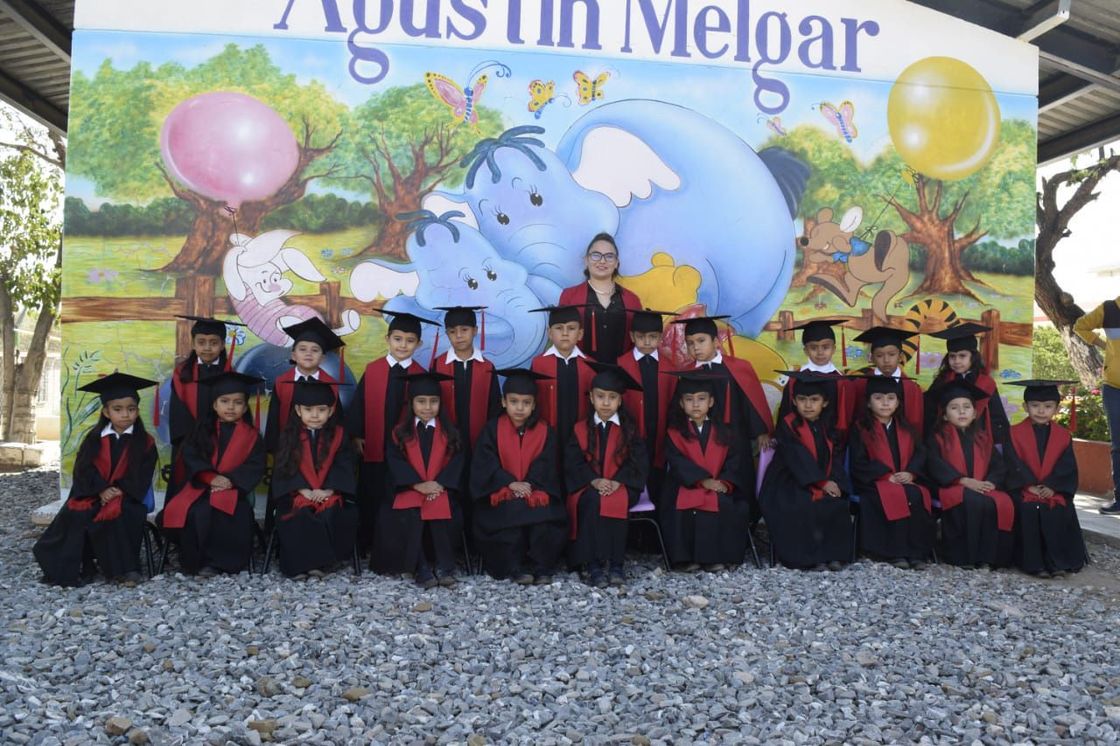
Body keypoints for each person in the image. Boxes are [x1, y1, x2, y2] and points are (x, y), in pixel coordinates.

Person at [34, 373, 158, 586]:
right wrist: (101, 490)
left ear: (137, 411)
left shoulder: (144, 442)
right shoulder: (94, 439)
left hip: (128, 496)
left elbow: (142, 474)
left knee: (121, 513)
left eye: (131, 409)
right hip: (93, 493)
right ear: (106, 412)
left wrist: (118, 490)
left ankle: (126, 570)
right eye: (118, 409)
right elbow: (83, 470)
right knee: (75, 514)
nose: (125, 415)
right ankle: (77, 567)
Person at [160, 371, 266, 576]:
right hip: (202, 486)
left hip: (235, 489)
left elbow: (255, 465)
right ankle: (195, 562)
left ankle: (221, 563)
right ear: (215, 405)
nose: (231, 407)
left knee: (229, 513)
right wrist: (210, 477)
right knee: (195, 511)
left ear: (245, 407)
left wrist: (230, 480)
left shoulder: (252, 436)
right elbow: (192, 457)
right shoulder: (201, 431)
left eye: (237, 402)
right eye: (224, 401)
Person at [347, 310, 435, 553]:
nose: (402, 345)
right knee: (372, 492)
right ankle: (368, 543)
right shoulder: (373, 370)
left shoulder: (421, 376)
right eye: (397, 339)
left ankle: (401, 545)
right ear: (387, 339)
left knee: (402, 490)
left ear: (419, 343)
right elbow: (360, 404)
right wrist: (356, 434)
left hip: (408, 450)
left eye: (409, 340)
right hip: (375, 446)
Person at [670, 314, 773, 518]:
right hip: (703, 440)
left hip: (736, 438)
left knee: (738, 484)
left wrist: (761, 431)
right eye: (690, 343)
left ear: (716, 342)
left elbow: (752, 401)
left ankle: (741, 525)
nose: (695, 348)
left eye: (701, 341)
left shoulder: (739, 367)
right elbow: (679, 410)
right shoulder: (687, 373)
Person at [470, 368, 567, 584]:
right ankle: (513, 567)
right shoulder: (492, 429)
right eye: (514, 402)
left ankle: (541, 567)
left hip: (535, 489)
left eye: (526, 402)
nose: (520, 408)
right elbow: (485, 464)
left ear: (534, 405)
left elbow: (547, 464)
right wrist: (509, 482)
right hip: (502, 492)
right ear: (503, 402)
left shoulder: (545, 431)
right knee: (511, 512)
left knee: (543, 519)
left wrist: (530, 484)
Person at [375, 371, 465, 588]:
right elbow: (395, 463)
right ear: (411, 404)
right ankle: (420, 567)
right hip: (409, 488)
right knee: (409, 513)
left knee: (440, 507)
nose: (427, 407)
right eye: (421, 401)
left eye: (433, 401)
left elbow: (457, 462)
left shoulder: (450, 432)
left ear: (440, 403)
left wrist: (440, 484)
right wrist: (417, 484)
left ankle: (445, 566)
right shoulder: (399, 433)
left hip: (440, 488)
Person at [564, 363, 649, 587]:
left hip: (623, 485)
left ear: (620, 401)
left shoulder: (629, 430)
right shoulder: (579, 429)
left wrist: (617, 481)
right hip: (589, 486)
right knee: (593, 500)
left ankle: (616, 565)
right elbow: (572, 463)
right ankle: (593, 566)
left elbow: (638, 463)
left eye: (612, 397)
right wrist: (594, 480)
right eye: (600, 396)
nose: (605, 402)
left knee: (613, 499)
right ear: (591, 398)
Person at [659, 370, 752, 571]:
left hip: (720, 484)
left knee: (724, 503)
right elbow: (677, 462)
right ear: (681, 403)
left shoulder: (725, 432)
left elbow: (734, 461)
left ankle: (714, 558)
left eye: (701, 399)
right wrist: (702, 481)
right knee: (684, 505)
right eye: (689, 399)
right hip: (686, 484)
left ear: (710, 402)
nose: (695, 404)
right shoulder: (674, 432)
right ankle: (685, 560)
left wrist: (725, 482)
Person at [760, 371, 852, 570]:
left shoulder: (828, 426)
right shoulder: (788, 425)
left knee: (836, 503)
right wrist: (821, 482)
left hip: (821, 479)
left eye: (814, 400)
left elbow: (835, 458)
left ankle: (832, 555)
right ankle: (805, 558)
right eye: (802, 399)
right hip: (787, 481)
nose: (808, 405)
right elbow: (796, 457)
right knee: (802, 504)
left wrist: (835, 481)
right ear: (793, 401)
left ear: (825, 403)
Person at [273, 378, 358, 578]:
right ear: (298, 410)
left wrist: (328, 490)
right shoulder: (289, 435)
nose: (315, 415)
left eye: (321, 410)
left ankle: (319, 564)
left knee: (330, 513)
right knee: (301, 515)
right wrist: (304, 490)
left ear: (330, 411)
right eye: (309, 410)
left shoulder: (339, 435)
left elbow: (344, 466)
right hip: (297, 494)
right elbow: (284, 468)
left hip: (330, 493)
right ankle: (303, 565)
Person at [847, 374, 933, 569]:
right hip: (873, 483)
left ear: (898, 403)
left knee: (916, 493)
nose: (885, 403)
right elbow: (858, 462)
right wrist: (886, 476)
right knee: (893, 494)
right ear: (868, 403)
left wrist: (911, 473)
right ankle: (894, 552)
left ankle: (917, 552)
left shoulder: (907, 429)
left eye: (891, 398)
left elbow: (921, 455)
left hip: (904, 480)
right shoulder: (861, 429)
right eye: (878, 398)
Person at [926, 379, 1014, 569]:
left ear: (975, 414)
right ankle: (962, 557)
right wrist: (963, 481)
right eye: (954, 408)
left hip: (981, 486)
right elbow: (934, 465)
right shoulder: (937, 437)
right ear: (945, 415)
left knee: (998, 502)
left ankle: (988, 558)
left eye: (967, 407)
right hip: (949, 487)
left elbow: (998, 466)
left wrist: (991, 482)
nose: (962, 411)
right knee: (973, 500)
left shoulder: (982, 438)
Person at [1005, 380, 1087, 577]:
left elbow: (1067, 467)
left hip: (1053, 490)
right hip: (1023, 490)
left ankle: (1057, 562)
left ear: (1056, 408)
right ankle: (1034, 564)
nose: (1041, 411)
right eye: (1035, 405)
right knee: (1031, 508)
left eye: (1048, 406)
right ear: (1025, 407)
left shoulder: (1063, 436)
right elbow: (1011, 463)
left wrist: (1052, 486)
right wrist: (1028, 486)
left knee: (1055, 507)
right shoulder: (1013, 433)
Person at [168, 315, 245, 493]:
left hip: (220, 441)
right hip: (188, 442)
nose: (207, 348)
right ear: (193, 344)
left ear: (222, 344)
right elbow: (177, 412)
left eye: (213, 342)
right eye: (201, 342)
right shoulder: (182, 374)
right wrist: (192, 442)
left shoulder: (229, 373)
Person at [615, 309, 675, 501]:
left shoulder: (669, 368)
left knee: (657, 481)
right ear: (632, 336)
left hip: (659, 435)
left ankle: (653, 521)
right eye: (641, 337)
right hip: (630, 436)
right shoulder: (620, 365)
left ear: (661, 337)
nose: (647, 342)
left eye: (652, 337)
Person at [558, 233, 642, 363]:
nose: (602, 261)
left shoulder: (632, 300)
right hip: (580, 371)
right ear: (586, 260)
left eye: (609, 256)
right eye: (596, 255)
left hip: (622, 375)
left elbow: (637, 342)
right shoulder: (569, 296)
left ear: (616, 263)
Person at [265, 317, 344, 452]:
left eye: (315, 350)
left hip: (320, 447)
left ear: (322, 358)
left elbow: (337, 420)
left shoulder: (330, 384)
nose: (308, 353)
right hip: (289, 447)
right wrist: (274, 449)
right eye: (302, 349)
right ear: (294, 356)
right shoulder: (282, 382)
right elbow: (274, 419)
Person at [923, 323, 1009, 444]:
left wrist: (999, 443)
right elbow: (930, 412)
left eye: (962, 356)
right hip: (947, 441)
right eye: (952, 356)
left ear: (973, 357)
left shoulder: (986, 383)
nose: (956, 361)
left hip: (979, 440)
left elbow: (997, 416)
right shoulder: (942, 380)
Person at [1073, 295, 1120, 513]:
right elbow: (1080, 327)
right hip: (1114, 388)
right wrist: (1102, 344)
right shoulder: (1109, 309)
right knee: (1118, 446)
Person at [530, 305, 596, 449]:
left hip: (582, 437)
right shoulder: (539, 364)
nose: (565, 333)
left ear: (580, 334)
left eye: (571, 328)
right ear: (550, 333)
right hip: (547, 436)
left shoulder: (590, 366)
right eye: (559, 328)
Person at [777, 317, 852, 438]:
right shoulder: (795, 379)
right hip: (800, 439)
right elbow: (786, 411)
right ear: (806, 350)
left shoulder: (842, 381)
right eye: (813, 347)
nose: (820, 352)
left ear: (833, 349)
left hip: (833, 440)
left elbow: (846, 416)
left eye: (825, 347)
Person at [847, 326, 924, 433]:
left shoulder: (912, 389)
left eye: (892, 354)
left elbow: (917, 424)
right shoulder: (860, 385)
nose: (886, 360)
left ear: (900, 356)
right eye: (879, 355)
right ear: (872, 358)